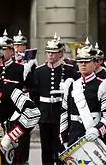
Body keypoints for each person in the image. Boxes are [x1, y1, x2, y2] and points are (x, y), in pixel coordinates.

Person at [33, 33, 78, 165]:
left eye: (54, 52)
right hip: (45, 114)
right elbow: (35, 94)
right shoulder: (39, 71)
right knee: (46, 148)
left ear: (61, 54)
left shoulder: (69, 70)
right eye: (48, 52)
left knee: (60, 146)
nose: (50, 55)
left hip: (61, 114)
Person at [60, 45, 106, 149]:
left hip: (96, 136)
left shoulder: (103, 86)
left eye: (87, 61)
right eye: (81, 62)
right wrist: (64, 138)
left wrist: (97, 130)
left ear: (95, 64)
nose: (83, 64)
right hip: (74, 137)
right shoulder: (71, 86)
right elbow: (64, 114)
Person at [0, 30, 36, 164]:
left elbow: (32, 88)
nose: (1, 52)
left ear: (11, 51)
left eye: (4, 49)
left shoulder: (20, 69)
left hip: (16, 112)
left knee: (19, 147)